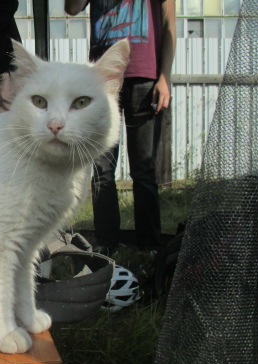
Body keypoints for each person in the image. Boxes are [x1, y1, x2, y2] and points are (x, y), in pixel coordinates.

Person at [65, 0, 176, 256]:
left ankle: (149, 246)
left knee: (144, 169)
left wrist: (165, 77)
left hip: (145, 77)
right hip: (102, 80)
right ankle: (106, 244)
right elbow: (71, 8)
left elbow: (169, 24)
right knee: (101, 169)